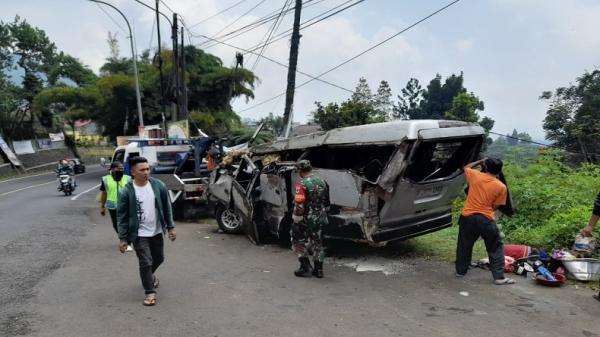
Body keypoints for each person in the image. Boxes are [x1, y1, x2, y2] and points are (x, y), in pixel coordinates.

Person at [117, 156, 176, 306]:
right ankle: (150, 292)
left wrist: (170, 227)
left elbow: (166, 207)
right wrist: (123, 239)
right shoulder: (126, 192)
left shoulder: (158, 186)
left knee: (159, 258)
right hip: (138, 233)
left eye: (148, 169)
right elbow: (122, 217)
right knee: (145, 262)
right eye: (142, 170)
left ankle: (149, 276)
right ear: (133, 172)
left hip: (156, 231)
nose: (146, 172)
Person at [456, 157, 515, 285]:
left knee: (464, 245)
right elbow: (496, 206)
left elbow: (466, 167)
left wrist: (480, 161)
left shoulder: (475, 175)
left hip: (467, 217)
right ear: (499, 170)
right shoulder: (501, 186)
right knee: (495, 246)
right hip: (486, 219)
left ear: (486, 167)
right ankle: (499, 278)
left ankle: (460, 271)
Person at [291, 159, 330, 278]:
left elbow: (299, 205)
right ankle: (319, 270)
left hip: (306, 219)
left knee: (297, 240)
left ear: (300, 171)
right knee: (318, 242)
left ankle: (305, 266)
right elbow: (327, 203)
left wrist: (296, 221)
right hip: (321, 217)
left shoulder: (301, 184)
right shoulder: (323, 182)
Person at [99, 161, 132, 251]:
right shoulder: (105, 179)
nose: (121, 169)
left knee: (126, 223)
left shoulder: (128, 178)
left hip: (126, 205)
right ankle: (123, 237)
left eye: (122, 168)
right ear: (112, 169)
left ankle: (126, 241)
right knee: (115, 224)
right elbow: (104, 194)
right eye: (118, 168)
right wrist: (102, 206)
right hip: (112, 206)